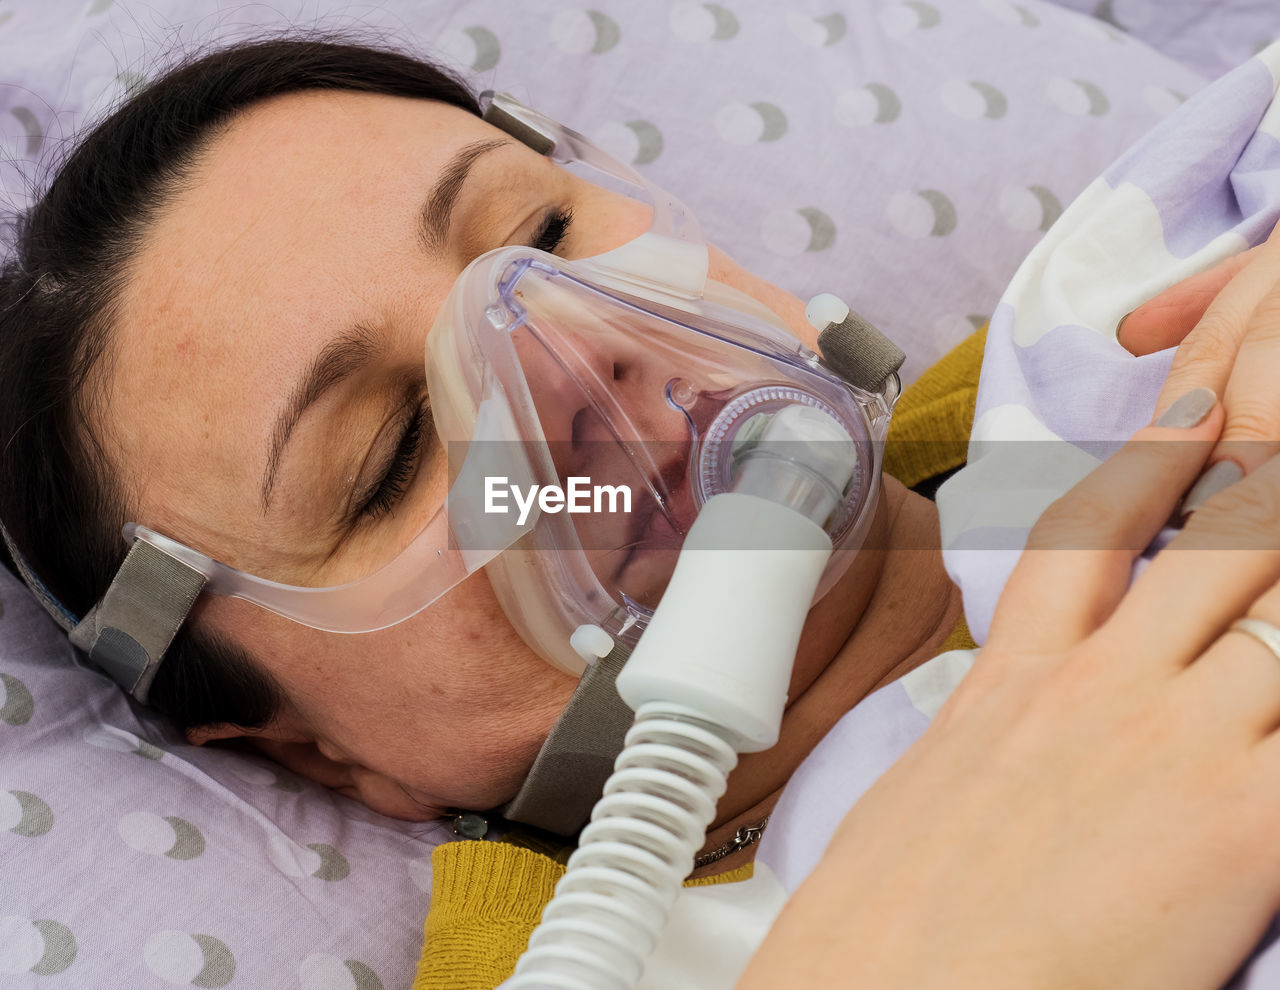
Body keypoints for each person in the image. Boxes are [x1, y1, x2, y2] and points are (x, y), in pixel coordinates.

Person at [4, 35, 1280, 990]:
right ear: (313, 751)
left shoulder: (1139, 283)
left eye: (542, 231)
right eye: (392, 453)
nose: (573, 357)